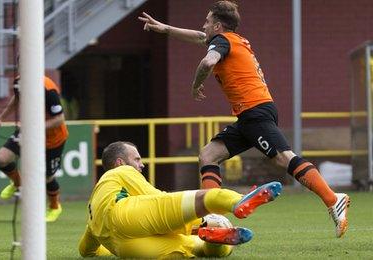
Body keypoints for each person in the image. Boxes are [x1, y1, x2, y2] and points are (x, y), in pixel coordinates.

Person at [138, 1, 349, 238]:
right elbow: (199, 37)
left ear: (217, 25)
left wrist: (196, 85)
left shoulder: (222, 42)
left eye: (207, 21)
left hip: (255, 111)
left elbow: (208, 61)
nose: (204, 25)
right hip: (250, 114)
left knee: (283, 157)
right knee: (209, 154)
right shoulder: (230, 39)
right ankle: (214, 215)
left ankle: (333, 199)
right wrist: (165, 29)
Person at [78, 141, 282, 258]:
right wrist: (196, 219)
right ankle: (238, 201)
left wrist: (111, 250)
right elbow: (154, 197)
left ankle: (217, 238)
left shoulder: (92, 206)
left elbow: (86, 250)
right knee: (203, 199)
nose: (142, 165)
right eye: (137, 159)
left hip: (125, 248)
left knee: (194, 248)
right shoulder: (119, 172)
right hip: (125, 215)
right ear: (120, 162)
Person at [0, 75, 69, 222]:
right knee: (1, 159)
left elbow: (59, 119)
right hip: (28, 132)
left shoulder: (48, 88)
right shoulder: (19, 80)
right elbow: (17, 98)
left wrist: (33, 128)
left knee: (47, 177)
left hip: (52, 138)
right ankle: (18, 183)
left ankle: (55, 207)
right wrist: (0, 118)